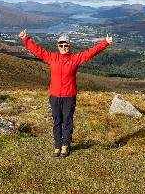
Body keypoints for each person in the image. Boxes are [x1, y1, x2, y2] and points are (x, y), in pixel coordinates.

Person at [19, 30, 112, 158]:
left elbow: (91, 53)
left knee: (67, 121)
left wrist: (105, 43)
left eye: (66, 45)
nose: (63, 47)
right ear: (57, 46)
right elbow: (37, 50)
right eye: (61, 45)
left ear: (69, 46)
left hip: (69, 96)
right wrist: (26, 39)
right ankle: (57, 145)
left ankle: (65, 145)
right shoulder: (52, 57)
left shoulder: (75, 59)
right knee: (57, 121)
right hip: (55, 96)